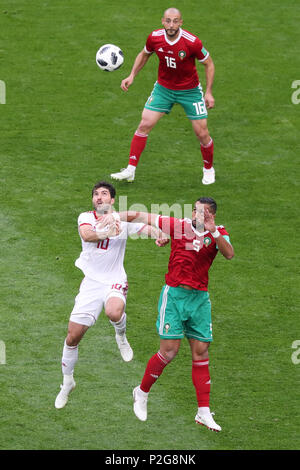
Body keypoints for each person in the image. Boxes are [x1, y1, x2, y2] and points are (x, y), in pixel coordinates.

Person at [101, 197, 234, 431]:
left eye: (202, 212)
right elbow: (139, 216)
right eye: (195, 210)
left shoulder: (219, 233)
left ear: (212, 215)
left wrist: (213, 233)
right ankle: (141, 393)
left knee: (201, 352)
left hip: (200, 300)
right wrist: (113, 216)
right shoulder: (179, 226)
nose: (196, 215)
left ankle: (203, 411)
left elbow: (229, 254)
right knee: (169, 351)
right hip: (174, 297)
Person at [55, 181, 168, 409]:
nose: (99, 197)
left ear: (112, 200)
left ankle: (121, 337)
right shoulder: (85, 217)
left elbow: (146, 229)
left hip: (115, 279)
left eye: (104, 194)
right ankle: (67, 382)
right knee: (72, 337)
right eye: (96, 194)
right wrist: (107, 230)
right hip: (92, 283)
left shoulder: (121, 219)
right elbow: (87, 236)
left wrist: (160, 234)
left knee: (114, 312)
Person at [111, 7, 216, 185]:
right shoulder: (155, 37)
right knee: (144, 124)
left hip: (189, 91)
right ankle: (130, 170)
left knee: (202, 133)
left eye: (175, 21)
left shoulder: (192, 42)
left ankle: (208, 169)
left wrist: (208, 91)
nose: (171, 25)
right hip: (164, 89)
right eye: (168, 20)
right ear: (162, 21)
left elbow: (209, 64)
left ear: (181, 22)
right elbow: (144, 54)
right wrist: (132, 75)